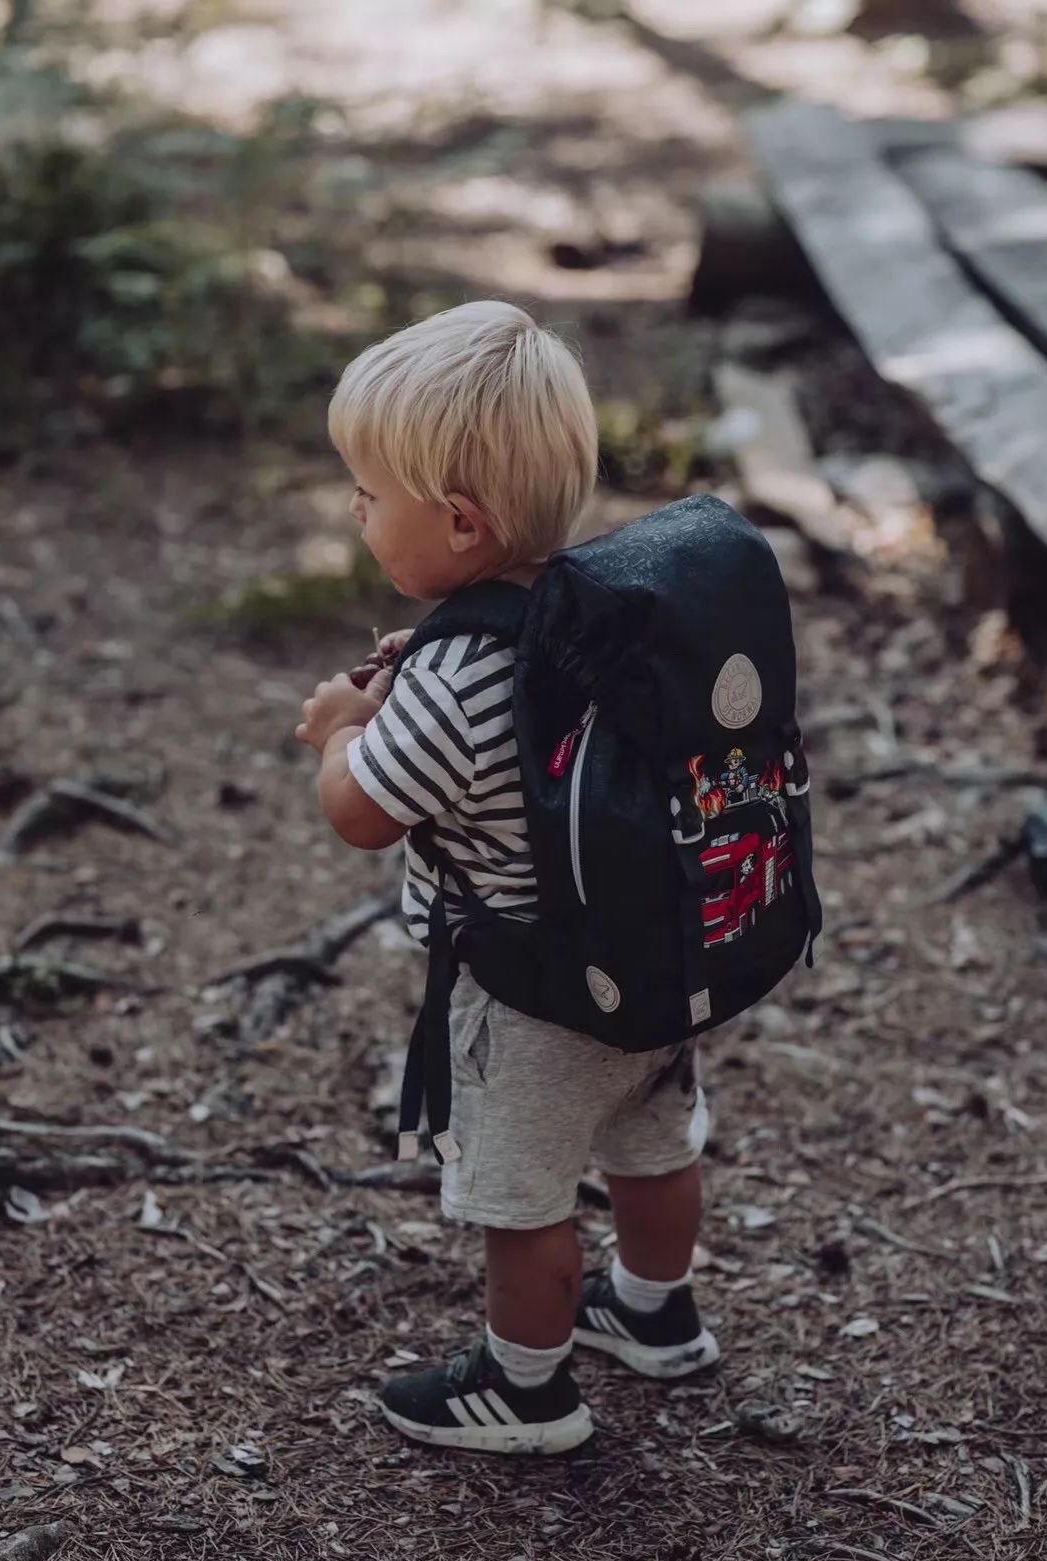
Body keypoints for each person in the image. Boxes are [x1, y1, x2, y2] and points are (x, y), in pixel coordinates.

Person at [295, 301, 718, 1456]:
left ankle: (527, 1391)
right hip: (651, 960)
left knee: (524, 1204)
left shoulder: (452, 680)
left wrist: (339, 730)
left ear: (462, 524)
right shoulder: (601, 611)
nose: (356, 509)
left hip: (532, 997)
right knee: (653, 1144)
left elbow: (364, 813)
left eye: (370, 496)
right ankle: (656, 1314)